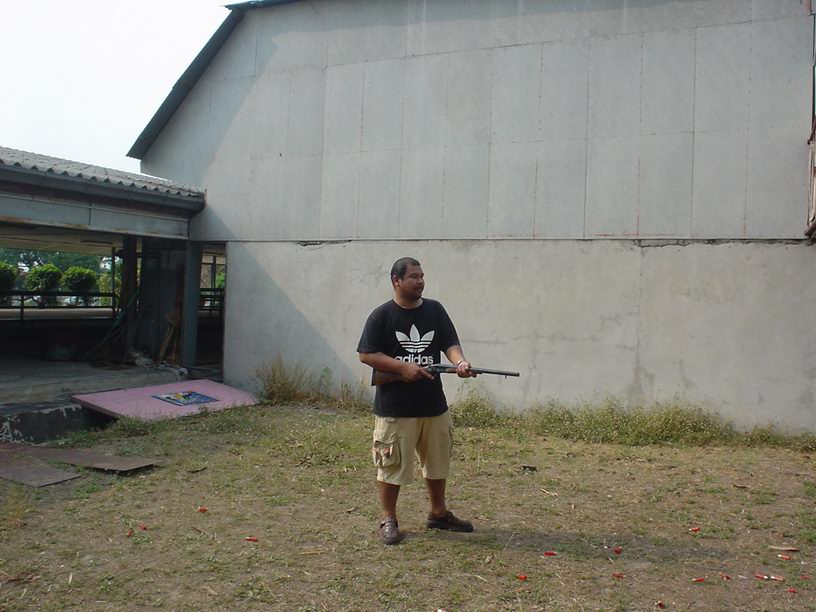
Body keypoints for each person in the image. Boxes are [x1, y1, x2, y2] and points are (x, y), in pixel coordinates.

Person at [357, 257, 476, 545]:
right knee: (391, 464)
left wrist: (460, 362)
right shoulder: (381, 316)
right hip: (395, 409)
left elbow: (449, 342)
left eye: (422, 276)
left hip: (433, 406)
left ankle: (438, 513)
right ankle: (388, 519)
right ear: (396, 281)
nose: (420, 281)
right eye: (413, 276)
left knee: (437, 461)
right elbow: (366, 354)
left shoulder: (435, 310)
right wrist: (402, 368)